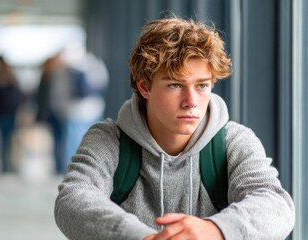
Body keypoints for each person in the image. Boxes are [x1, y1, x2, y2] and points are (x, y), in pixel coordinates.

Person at [54, 17, 295, 240]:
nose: (191, 100)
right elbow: (73, 198)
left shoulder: (234, 141)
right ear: (145, 87)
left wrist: (215, 230)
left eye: (202, 85)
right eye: (175, 85)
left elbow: (275, 204)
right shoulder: (109, 140)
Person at [0, 55, 24, 173]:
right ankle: (4, 165)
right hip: (0, 114)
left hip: (10, 114)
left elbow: (18, 97)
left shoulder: (11, 78)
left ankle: (10, 165)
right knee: (2, 140)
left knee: (10, 140)